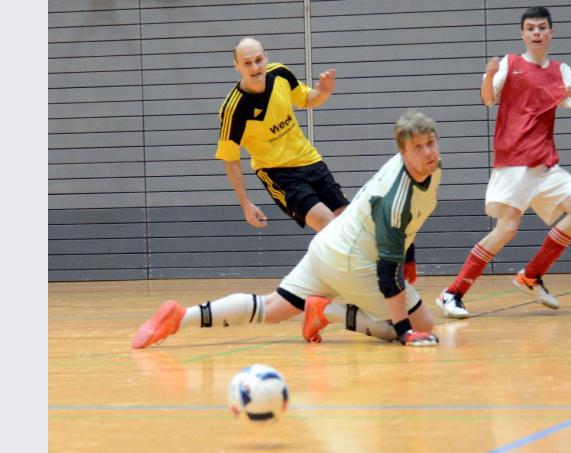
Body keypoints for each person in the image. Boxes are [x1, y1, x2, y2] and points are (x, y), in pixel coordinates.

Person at [132, 110, 442, 349]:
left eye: (430, 143)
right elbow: (388, 274)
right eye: (418, 147)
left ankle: (181, 316)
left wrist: (410, 258)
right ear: (403, 152)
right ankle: (328, 312)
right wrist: (405, 332)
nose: (428, 153)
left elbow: (407, 225)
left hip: (328, 246)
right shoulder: (396, 197)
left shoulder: (424, 168)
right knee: (423, 327)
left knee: (273, 307)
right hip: (353, 261)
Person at [435, 6, 571, 319]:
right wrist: (491, 75)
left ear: (551, 32)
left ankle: (531, 276)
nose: (536, 33)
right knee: (507, 228)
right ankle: (452, 293)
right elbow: (487, 99)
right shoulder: (510, 63)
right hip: (514, 161)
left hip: (545, 163)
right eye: (530, 28)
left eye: (542, 28)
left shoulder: (561, 71)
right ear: (523, 34)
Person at [217, 36, 349, 232]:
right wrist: (245, 204)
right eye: (247, 63)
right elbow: (230, 159)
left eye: (258, 60)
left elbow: (306, 99)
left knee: (348, 224)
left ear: (266, 58)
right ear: (237, 66)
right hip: (279, 173)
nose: (255, 67)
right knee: (329, 225)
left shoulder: (280, 73)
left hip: (310, 160)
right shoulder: (233, 109)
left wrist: (323, 91)